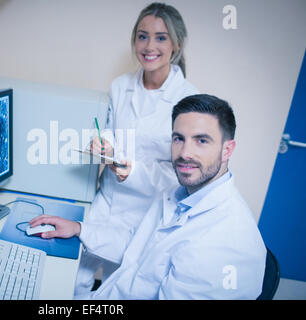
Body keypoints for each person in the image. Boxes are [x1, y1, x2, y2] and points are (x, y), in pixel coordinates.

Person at [30, 94, 267, 299]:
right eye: (178, 139)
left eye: (201, 141)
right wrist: (79, 229)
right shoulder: (178, 196)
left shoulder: (227, 242)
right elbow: (137, 246)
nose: (185, 153)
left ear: (228, 149)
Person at [77, 2, 199, 294]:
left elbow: (181, 173)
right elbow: (111, 127)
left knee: (121, 289)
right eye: (142, 36)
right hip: (107, 201)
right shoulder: (120, 86)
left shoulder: (190, 100)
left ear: (176, 44)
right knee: (74, 278)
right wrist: (104, 141)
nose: (149, 46)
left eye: (160, 37)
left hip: (147, 213)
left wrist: (134, 172)